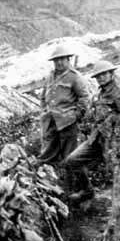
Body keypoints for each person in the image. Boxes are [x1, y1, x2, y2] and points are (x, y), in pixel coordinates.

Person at [37, 44, 91, 201]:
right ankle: (53, 188)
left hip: (67, 122)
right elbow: (43, 95)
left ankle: (79, 190)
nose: (59, 63)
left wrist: (76, 115)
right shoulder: (50, 76)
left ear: (68, 60)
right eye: (56, 60)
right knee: (48, 154)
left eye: (62, 60)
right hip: (51, 121)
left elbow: (85, 97)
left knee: (70, 157)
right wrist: (43, 111)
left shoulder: (75, 77)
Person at [63, 60, 120, 183]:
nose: (100, 78)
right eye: (98, 76)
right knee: (72, 161)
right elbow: (93, 114)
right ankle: (87, 190)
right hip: (96, 139)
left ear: (111, 74)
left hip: (114, 139)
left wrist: (108, 126)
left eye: (104, 74)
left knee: (118, 172)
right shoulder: (99, 94)